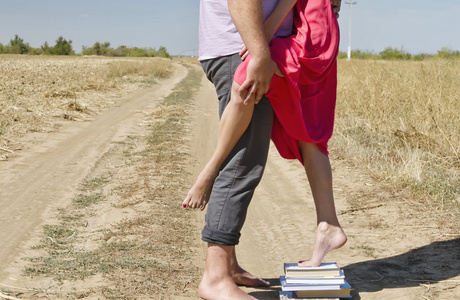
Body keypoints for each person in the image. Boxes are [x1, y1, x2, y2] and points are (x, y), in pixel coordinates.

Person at [186, 0, 343, 299]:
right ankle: (216, 277)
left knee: (267, 147)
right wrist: (259, 50)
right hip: (249, 44)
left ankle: (227, 267)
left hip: (263, 41)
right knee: (242, 160)